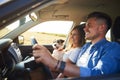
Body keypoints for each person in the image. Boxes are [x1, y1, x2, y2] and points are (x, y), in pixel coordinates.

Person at [32, 11, 120, 77]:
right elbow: (77, 67)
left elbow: (98, 74)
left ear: (101, 28)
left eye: (89, 25)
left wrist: (55, 63)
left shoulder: (113, 48)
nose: (85, 29)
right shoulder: (86, 46)